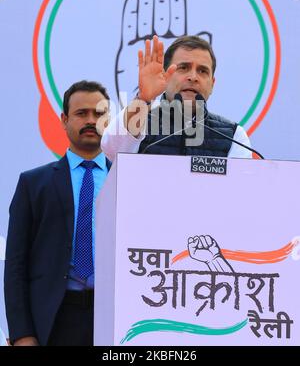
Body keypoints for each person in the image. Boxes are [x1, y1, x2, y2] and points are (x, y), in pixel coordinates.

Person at [4, 80, 110, 346]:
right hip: (54, 320)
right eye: (81, 113)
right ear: (64, 120)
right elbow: (16, 265)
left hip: (114, 317)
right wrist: (22, 334)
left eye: (98, 114)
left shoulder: (127, 178)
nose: (90, 120)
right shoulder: (33, 184)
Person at [101, 35, 252, 160]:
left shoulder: (234, 136)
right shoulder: (140, 120)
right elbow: (112, 150)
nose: (193, 77)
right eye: (183, 68)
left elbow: (239, 190)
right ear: (165, 75)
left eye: (202, 71)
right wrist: (143, 98)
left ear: (212, 84)